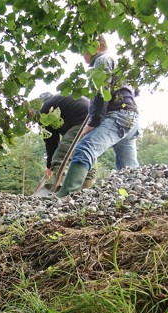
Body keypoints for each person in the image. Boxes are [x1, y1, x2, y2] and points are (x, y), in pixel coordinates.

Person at [56, 35, 139, 197]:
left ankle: (64, 196)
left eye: (84, 51)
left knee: (85, 148)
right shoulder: (119, 64)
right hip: (131, 117)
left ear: (97, 46)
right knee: (128, 169)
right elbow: (135, 91)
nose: (83, 55)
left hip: (118, 116)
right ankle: (136, 198)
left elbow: (102, 92)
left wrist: (94, 120)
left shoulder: (102, 61)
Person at [39, 92, 90, 190]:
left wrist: (49, 165)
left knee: (60, 157)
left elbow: (51, 139)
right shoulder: (62, 100)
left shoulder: (45, 109)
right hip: (95, 119)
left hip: (81, 120)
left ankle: (58, 192)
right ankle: (86, 191)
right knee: (84, 155)